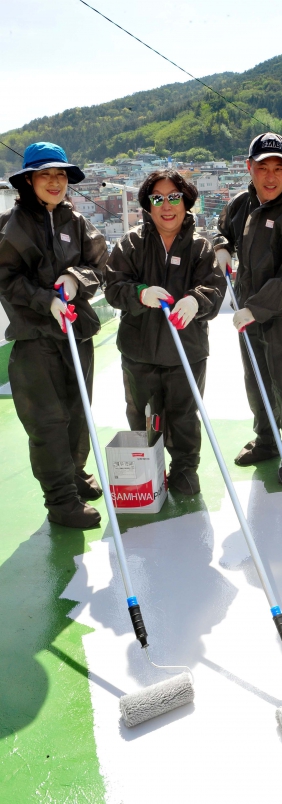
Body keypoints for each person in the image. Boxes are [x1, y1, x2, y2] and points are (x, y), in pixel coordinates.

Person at [0, 142, 108, 528]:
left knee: (78, 413)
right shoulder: (13, 225)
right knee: (48, 422)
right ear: (28, 180)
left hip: (76, 333)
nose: (54, 182)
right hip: (36, 339)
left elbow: (99, 260)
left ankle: (74, 475)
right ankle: (61, 502)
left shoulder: (75, 221)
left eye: (60, 175)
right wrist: (46, 300)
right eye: (45, 174)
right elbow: (7, 279)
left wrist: (75, 280)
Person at [105, 169, 225, 496]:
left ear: (186, 202)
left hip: (187, 351)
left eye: (174, 196)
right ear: (148, 204)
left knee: (184, 416)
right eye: (158, 198)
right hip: (138, 351)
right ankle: (149, 470)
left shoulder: (201, 248)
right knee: (143, 417)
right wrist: (139, 293)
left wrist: (196, 301)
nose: (167, 205)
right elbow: (113, 286)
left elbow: (214, 288)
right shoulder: (130, 243)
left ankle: (185, 470)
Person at [213, 132, 282, 485]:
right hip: (248, 311)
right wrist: (222, 246)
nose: (270, 177)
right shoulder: (241, 203)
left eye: (278, 168)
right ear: (250, 168)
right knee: (257, 380)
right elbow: (222, 229)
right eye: (263, 168)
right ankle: (268, 439)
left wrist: (255, 308)